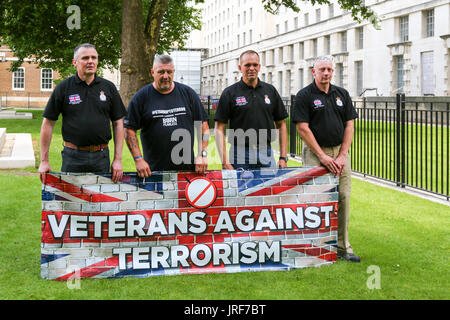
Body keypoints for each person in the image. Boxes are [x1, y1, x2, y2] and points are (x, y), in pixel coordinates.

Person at [292, 56, 360, 262]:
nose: (326, 73)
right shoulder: (305, 96)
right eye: (322, 69)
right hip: (315, 154)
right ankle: (315, 246)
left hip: (339, 154)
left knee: (343, 198)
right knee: (315, 199)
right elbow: (302, 127)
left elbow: (349, 124)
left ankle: (342, 246)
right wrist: (322, 156)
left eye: (329, 69)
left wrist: (342, 155)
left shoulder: (342, 94)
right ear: (314, 72)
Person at [38, 43, 126, 183]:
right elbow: (48, 123)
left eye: (94, 58)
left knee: (100, 202)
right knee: (71, 201)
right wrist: (44, 161)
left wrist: (118, 159)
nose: (90, 61)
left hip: (101, 157)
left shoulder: (108, 88)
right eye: (85, 58)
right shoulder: (64, 88)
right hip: (73, 157)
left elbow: (118, 123)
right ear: (75, 62)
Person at [124, 55, 209, 177]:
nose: (165, 76)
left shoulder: (188, 93)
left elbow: (203, 125)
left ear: (173, 72)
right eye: (161, 72)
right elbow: (129, 130)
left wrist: (202, 154)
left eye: (169, 72)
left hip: (187, 170)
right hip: (153, 172)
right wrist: (138, 159)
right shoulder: (141, 97)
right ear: (153, 72)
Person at [214, 50, 288, 170]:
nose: (251, 68)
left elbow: (281, 124)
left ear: (259, 67)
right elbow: (219, 128)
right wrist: (224, 161)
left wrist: (283, 157)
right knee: (241, 189)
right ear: (240, 67)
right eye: (247, 65)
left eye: (255, 65)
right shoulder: (230, 93)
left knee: (268, 188)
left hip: (266, 152)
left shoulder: (270, 91)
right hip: (240, 154)